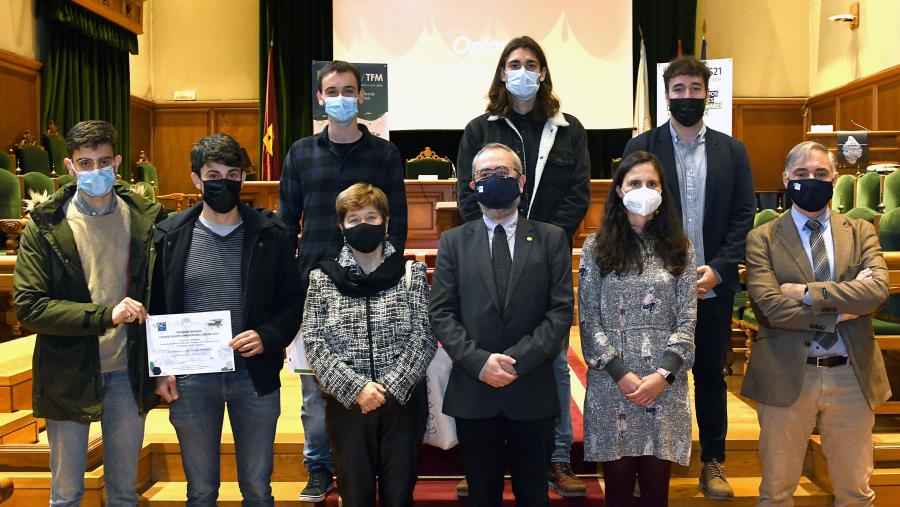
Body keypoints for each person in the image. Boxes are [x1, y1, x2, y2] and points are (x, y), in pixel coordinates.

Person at [455, 34, 590, 497]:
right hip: (489, 253)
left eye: (531, 63)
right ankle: (479, 463)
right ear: (501, 72)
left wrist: (542, 244)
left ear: (544, 72)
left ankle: (556, 458)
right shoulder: (480, 128)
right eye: (514, 63)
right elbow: (466, 195)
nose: (523, 71)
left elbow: (577, 196)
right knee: (484, 350)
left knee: (551, 361)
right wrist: (490, 237)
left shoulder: (568, 129)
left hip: (545, 259)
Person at [623, 55, 755, 498]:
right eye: (678, 89)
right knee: (653, 371)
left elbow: (743, 216)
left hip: (712, 285)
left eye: (695, 89)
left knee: (710, 376)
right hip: (655, 288)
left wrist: (718, 270)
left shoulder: (732, 151)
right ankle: (646, 460)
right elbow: (630, 213)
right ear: (666, 95)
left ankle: (713, 461)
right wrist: (666, 275)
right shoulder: (642, 146)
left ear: (707, 94)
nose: (687, 96)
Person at [13, 120, 164, 506]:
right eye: (85, 163)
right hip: (68, 368)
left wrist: (166, 364)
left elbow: (163, 295)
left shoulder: (146, 219)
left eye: (103, 162)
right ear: (70, 166)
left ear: (117, 163)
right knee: (66, 494)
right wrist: (105, 316)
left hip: (127, 369)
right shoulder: (45, 225)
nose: (95, 171)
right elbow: (30, 306)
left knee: (123, 493)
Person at [278, 60, 408, 502]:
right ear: (320, 99)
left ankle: (370, 464)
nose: (340, 99)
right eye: (331, 92)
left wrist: (388, 273)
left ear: (361, 97)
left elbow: (397, 221)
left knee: (372, 376)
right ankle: (319, 466)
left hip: (375, 284)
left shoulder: (385, 155)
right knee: (316, 388)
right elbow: (286, 221)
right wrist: (288, 281)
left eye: (348, 91)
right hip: (316, 285)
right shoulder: (300, 153)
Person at [152, 133, 302, 506]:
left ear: (243, 178)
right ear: (196, 179)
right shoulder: (169, 236)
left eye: (232, 175)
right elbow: (157, 307)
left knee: (257, 489)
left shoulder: (272, 235)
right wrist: (161, 369)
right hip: (191, 380)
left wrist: (268, 336)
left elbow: (292, 303)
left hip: (253, 376)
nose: (224, 182)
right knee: (201, 491)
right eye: (213, 175)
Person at [743, 141, 890, 506]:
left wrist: (806, 293)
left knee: (856, 493)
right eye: (801, 174)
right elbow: (771, 307)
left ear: (834, 178)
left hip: (851, 374)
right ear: (785, 179)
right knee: (776, 493)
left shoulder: (860, 231)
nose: (811, 180)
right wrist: (841, 311)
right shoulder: (762, 238)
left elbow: (876, 291)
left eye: (821, 173)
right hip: (786, 373)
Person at [430, 143, 574, 506]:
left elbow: (560, 312)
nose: (494, 179)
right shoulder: (453, 242)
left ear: (521, 182)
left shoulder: (552, 238)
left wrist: (516, 361)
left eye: (503, 173)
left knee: (533, 495)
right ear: (472, 185)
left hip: (532, 389)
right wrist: (480, 363)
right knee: (482, 496)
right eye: (484, 174)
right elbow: (442, 313)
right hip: (474, 391)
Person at [302, 183, 437, 507]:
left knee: (398, 496)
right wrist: (357, 389)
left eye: (371, 217)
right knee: (355, 496)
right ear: (341, 226)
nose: (363, 225)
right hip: (348, 405)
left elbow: (424, 335)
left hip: (402, 403)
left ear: (386, 222)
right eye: (354, 219)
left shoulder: (411, 273)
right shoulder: (323, 278)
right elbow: (314, 340)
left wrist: (389, 388)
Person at [579, 151, 696, 506]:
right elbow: (589, 318)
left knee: (656, 495)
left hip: (665, 386)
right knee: (617, 495)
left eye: (651, 183)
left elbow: (688, 318)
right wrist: (621, 374)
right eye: (634, 183)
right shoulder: (596, 247)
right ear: (619, 190)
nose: (643, 190)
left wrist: (662, 376)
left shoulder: (681, 248)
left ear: (662, 192)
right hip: (613, 385)